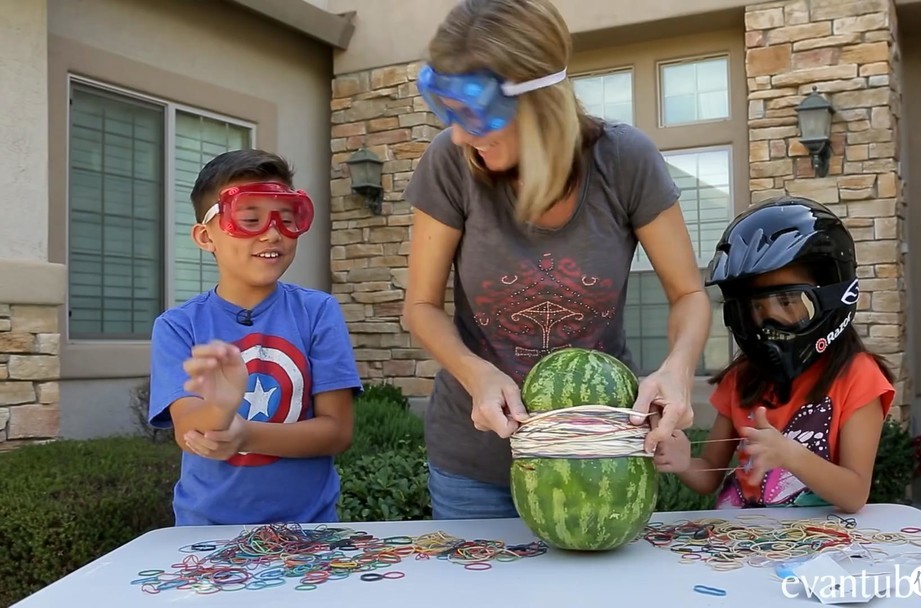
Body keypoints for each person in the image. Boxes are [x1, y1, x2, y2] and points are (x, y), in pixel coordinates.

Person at [402, 0, 712, 520]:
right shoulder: (449, 164)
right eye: (445, 110)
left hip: (602, 457)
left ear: (539, 98)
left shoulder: (625, 159)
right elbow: (422, 307)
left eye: (472, 113)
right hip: (474, 466)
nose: (458, 134)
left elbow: (688, 294)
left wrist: (678, 369)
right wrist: (476, 374)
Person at [148, 149, 363, 526]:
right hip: (207, 532)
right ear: (204, 237)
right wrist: (221, 407)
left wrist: (244, 433)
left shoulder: (317, 312)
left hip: (310, 529)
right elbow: (190, 431)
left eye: (286, 219)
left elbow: (337, 431)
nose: (272, 233)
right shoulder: (178, 326)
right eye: (249, 219)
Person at [654, 196, 895, 514]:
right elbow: (709, 474)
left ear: (832, 298)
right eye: (755, 308)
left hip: (815, 544)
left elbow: (854, 494)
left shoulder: (858, 378)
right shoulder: (741, 379)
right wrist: (683, 462)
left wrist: (789, 454)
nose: (770, 323)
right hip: (738, 540)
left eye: (787, 301)